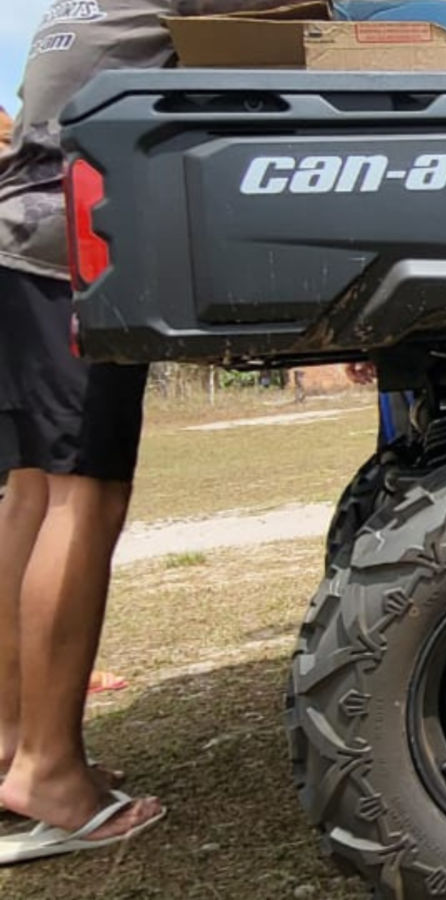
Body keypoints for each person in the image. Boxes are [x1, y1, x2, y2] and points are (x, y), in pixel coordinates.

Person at [0, 0, 288, 864]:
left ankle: (12, 745)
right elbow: (283, 34)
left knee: (29, 495)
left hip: (17, 235)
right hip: (74, 238)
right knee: (85, 499)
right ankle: (50, 775)